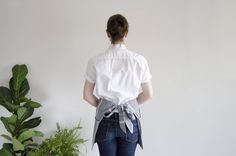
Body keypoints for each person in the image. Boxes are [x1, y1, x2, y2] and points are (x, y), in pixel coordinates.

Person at [83, 14, 153, 156]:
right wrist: (130, 104)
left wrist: (105, 106)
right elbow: (148, 94)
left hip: (105, 120)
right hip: (130, 120)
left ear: (108, 33)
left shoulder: (95, 61)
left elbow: (86, 95)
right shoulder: (139, 60)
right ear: (126, 33)